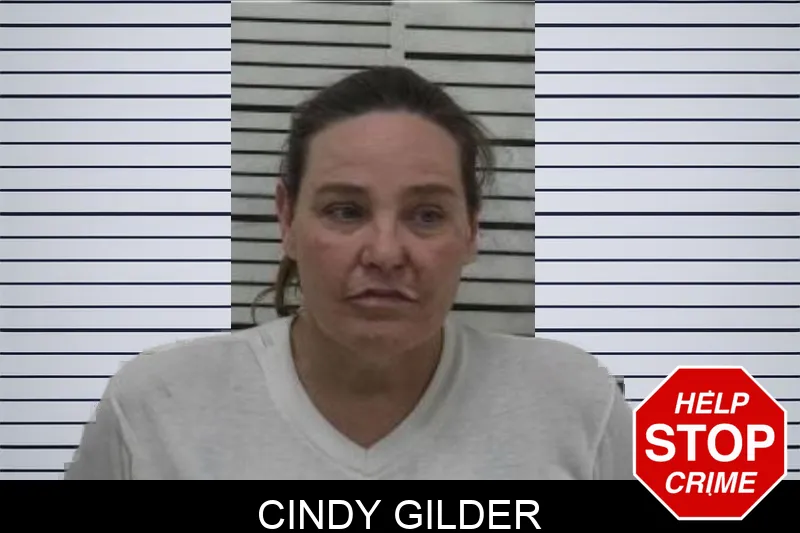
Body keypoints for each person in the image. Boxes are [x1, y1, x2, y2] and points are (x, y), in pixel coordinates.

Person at [64, 66, 633, 480]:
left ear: (471, 231)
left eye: (426, 215)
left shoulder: (577, 405)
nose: (385, 252)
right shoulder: (154, 408)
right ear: (286, 219)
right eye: (345, 211)